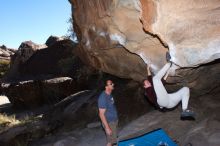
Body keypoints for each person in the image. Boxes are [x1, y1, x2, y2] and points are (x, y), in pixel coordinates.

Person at [143, 54, 195, 120]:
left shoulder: (154, 86)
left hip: (170, 102)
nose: (148, 82)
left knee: (186, 89)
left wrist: (167, 73)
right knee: (155, 79)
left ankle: (184, 110)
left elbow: (162, 81)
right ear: (145, 86)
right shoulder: (147, 91)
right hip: (161, 101)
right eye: (146, 83)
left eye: (147, 81)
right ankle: (169, 63)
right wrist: (148, 69)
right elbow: (150, 78)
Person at [98, 80, 118, 146]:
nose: (113, 84)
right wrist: (107, 127)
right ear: (106, 87)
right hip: (109, 122)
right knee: (110, 142)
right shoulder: (103, 97)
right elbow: (101, 114)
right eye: (111, 83)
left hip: (113, 121)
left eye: (112, 82)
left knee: (114, 140)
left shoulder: (109, 94)